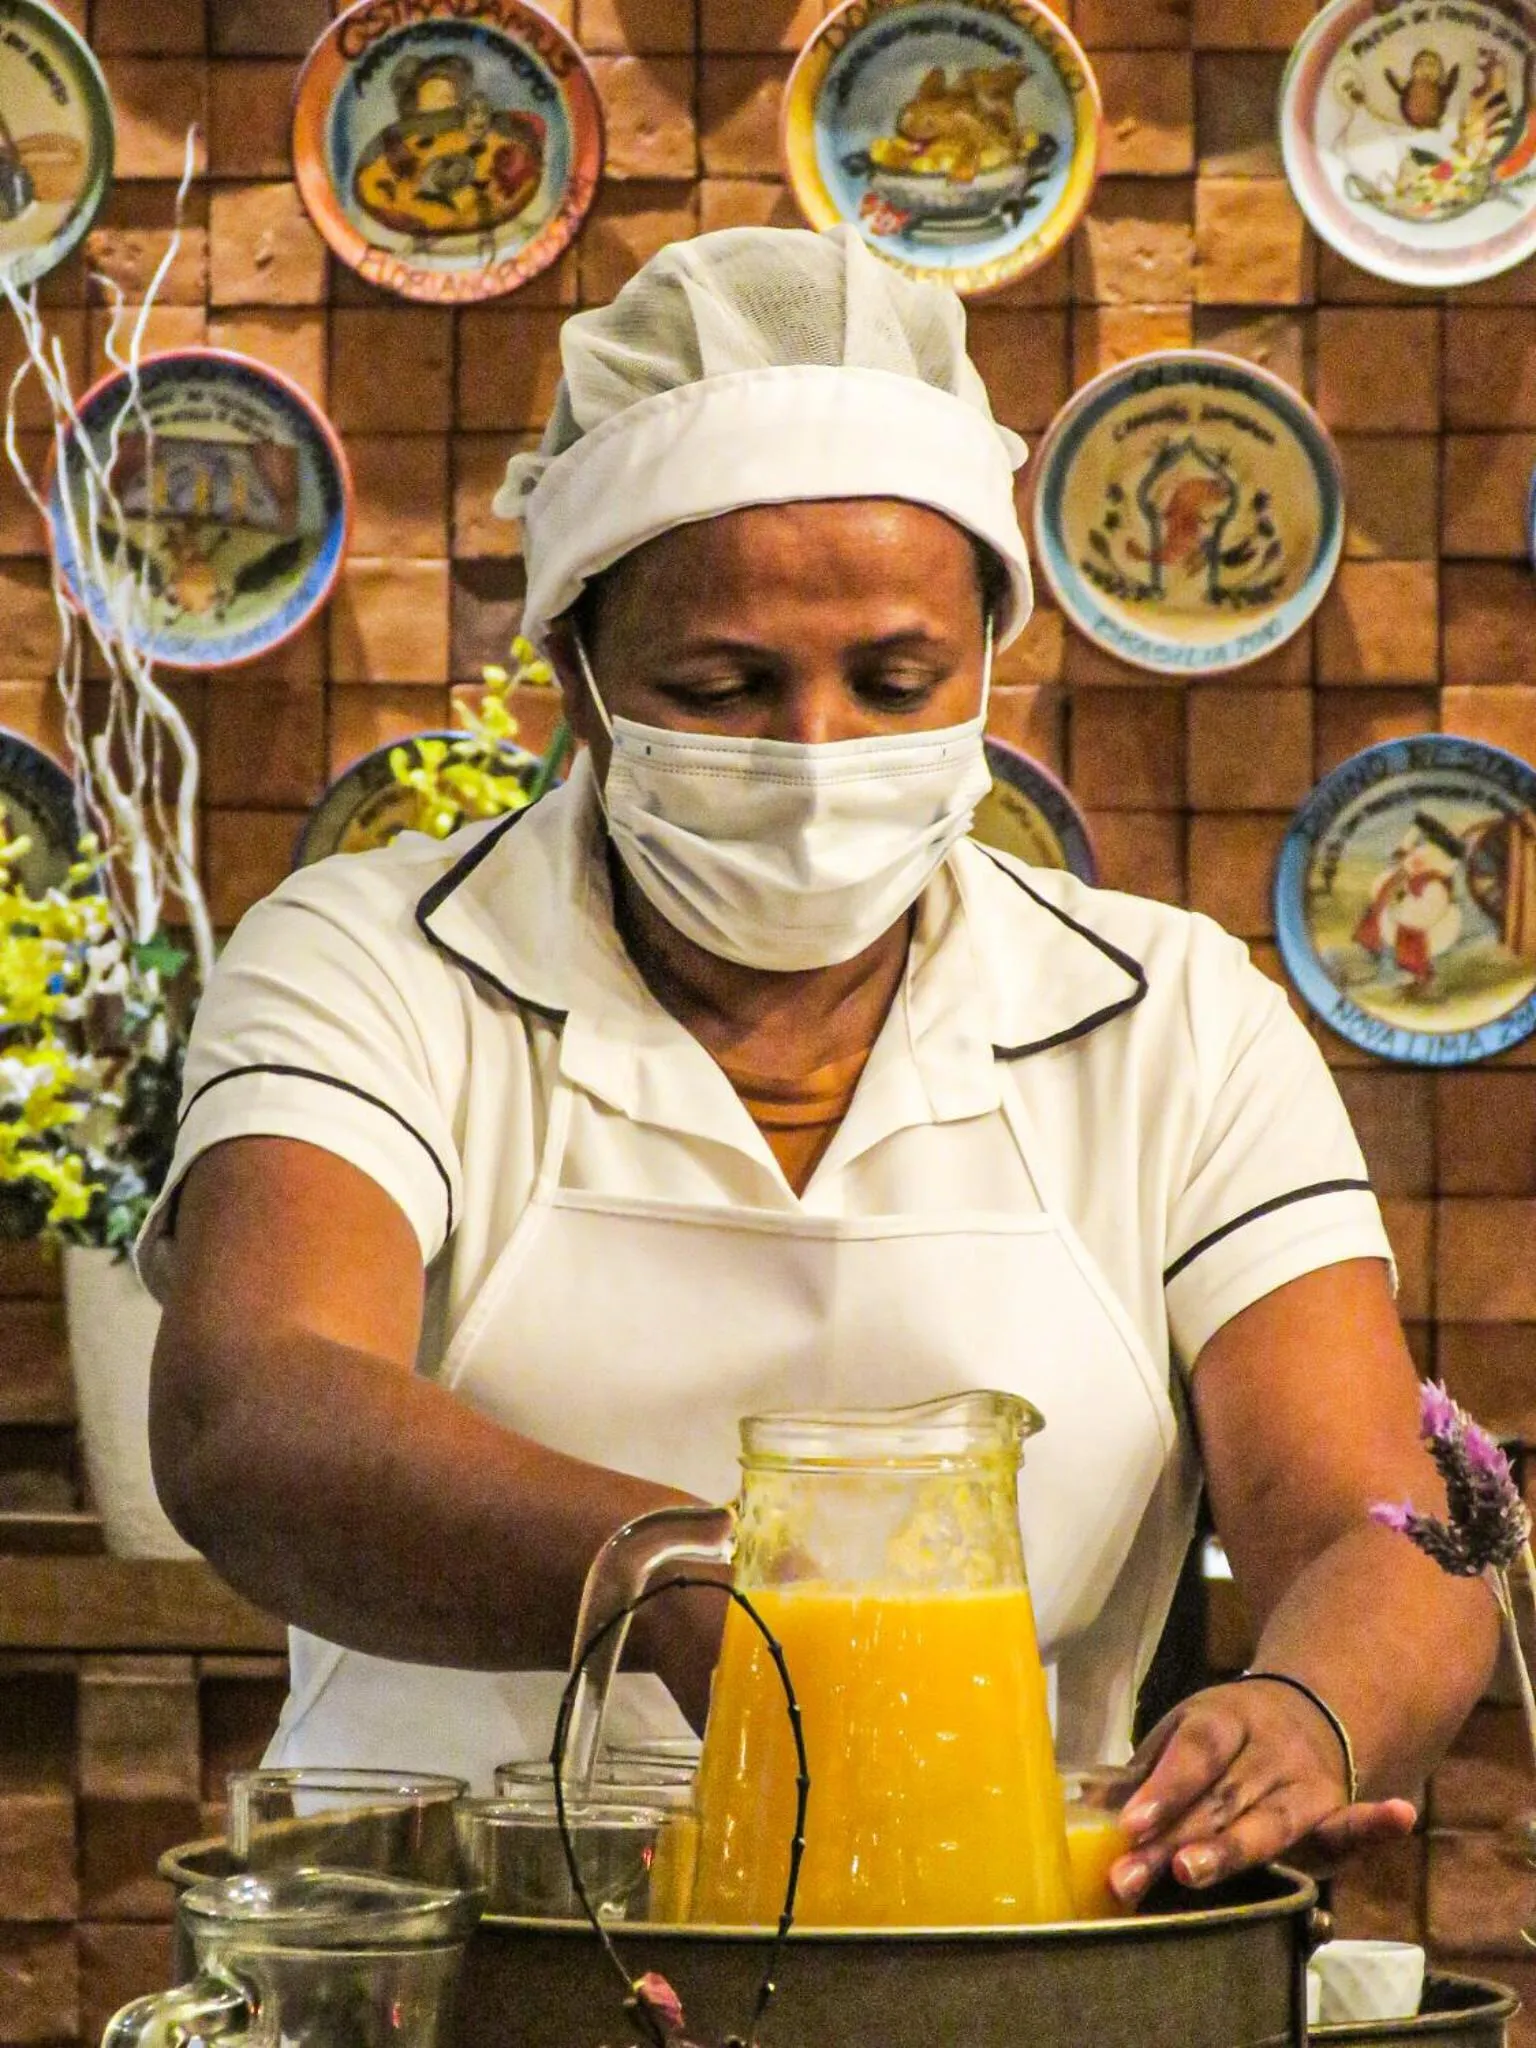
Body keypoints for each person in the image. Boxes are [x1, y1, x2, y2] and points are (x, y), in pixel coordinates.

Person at [142, 224, 1495, 1909]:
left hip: (976, 1960)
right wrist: (690, 1578)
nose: (816, 754)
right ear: (575, 673)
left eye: (895, 680)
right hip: (460, 1965)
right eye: (724, 686)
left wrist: (1307, 1710)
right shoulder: (380, 964)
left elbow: (1393, 1519)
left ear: (990, 658)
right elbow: (247, 1409)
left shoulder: (1169, 1018)